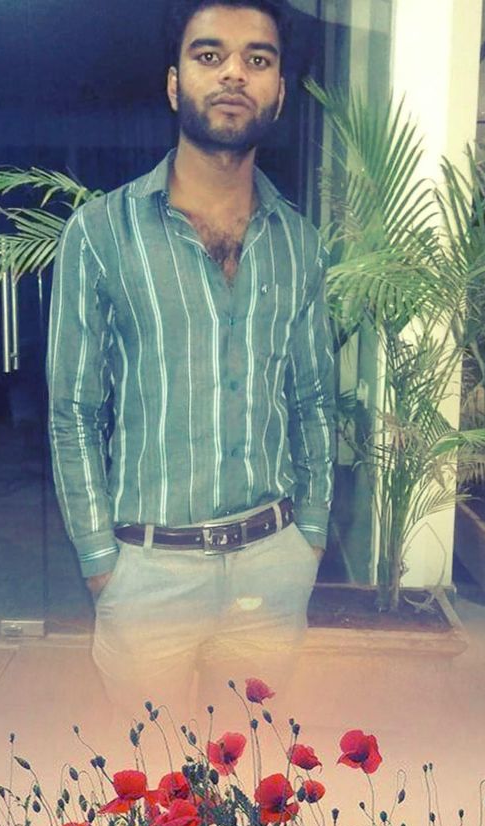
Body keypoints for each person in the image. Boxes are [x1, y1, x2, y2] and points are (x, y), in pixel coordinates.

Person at [47, 0, 335, 726]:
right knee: (149, 779)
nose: (234, 72)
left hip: (272, 567)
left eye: (258, 59)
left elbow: (314, 401)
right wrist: (99, 560)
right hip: (147, 573)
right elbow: (74, 410)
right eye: (210, 55)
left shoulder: (299, 243)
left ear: (277, 90)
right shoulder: (101, 234)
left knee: (255, 774)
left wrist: (310, 536)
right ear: (175, 84)